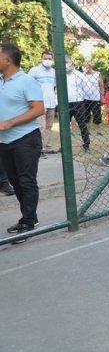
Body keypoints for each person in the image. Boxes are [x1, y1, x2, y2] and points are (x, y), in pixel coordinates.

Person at [0, 43, 44, 244]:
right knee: (15, 182)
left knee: (26, 181)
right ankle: (30, 217)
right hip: (4, 141)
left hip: (26, 139)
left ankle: (27, 223)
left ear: (8, 60)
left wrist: (10, 122)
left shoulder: (27, 81)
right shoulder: (1, 81)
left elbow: (38, 109)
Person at [28, 51, 58, 156]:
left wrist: (55, 99)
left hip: (51, 103)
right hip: (39, 103)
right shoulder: (34, 70)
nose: (47, 61)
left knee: (49, 127)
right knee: (41, 126)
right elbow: (28, 86)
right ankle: (39, 149)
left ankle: (46, 147)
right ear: (41, 59)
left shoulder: (54, 72)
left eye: (49, 59)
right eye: (45, 58)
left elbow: (55, 87)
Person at [64, 56, 90, 153]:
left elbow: (86, 89)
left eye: (67, 62)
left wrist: (83, 100)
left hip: (78, 103)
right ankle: (65, 147)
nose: (66, 64)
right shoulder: (61, 75)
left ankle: (86, 146)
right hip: (64, 103)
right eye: (64, 62)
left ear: (72, 62)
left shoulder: (80, 75)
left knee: (82, 125)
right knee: (64, 127)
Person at [81, 59, 104, 136]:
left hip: (95, 98)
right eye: (83, 66)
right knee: (86, 114)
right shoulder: (82, 74)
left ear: (90, 66)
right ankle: (87, 131)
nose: (84, 67)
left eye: (85, 65)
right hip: (85, 98)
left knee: (97, 114)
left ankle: (99, 131)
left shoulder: (97, 74)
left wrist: (102, 97)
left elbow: (101, 86)